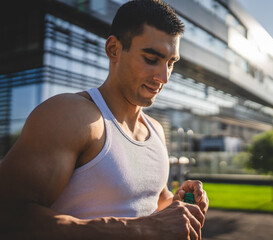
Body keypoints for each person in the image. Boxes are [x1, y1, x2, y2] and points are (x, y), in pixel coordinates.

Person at [0, 0, 209, 239]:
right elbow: (8, 216)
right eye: (151, 59)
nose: (164, 77)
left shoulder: (155, 130)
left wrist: (179, 207)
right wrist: (142, 229)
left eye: (170, 63)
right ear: (113, 50)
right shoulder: (71, 115)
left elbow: (152, 203)